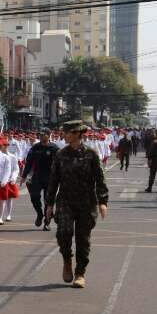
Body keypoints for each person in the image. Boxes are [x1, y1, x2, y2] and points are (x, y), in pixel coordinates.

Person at [46, 120, 109, 289]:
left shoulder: (91, 154)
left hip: (86, 202)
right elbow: (53, 180)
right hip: (65, 201)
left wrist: (103, 201)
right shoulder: (60, 154)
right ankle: (67, 259)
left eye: (66, 133)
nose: (63, 135)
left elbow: (100, 179)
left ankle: (80, 273)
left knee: (83, 239)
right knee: (63, 234)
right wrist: (49, 203)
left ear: (76, 134)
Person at [20, 128, 59, 230]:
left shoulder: (54, 148)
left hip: (50, 177)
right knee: (34, 197)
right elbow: (28, 162)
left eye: (43, 134)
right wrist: (24, 176)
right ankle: (40, 214)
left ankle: (47, 222)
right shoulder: (35, 148)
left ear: (48, 135)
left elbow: (60, 164)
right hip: (37, 176)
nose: (41, 136)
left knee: (48, 200)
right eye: (40, 135)